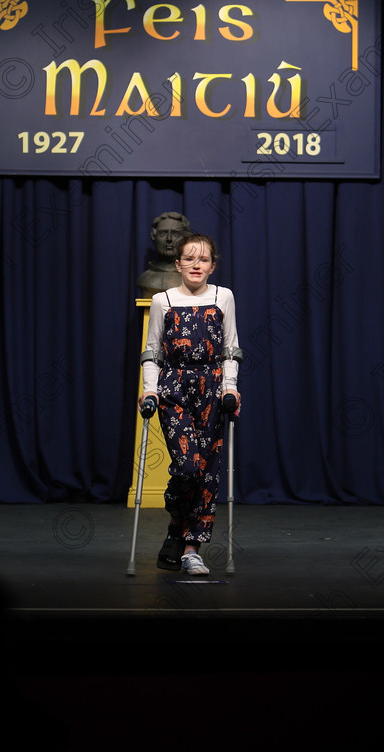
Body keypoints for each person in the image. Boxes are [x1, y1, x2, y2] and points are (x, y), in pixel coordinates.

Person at [139, 233, 241, 575]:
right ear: (178, 263)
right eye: (189, 258)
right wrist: (150, 389)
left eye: (204, 259)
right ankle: (175, 526)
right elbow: (152, 351)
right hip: (174, 388)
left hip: (212, 389)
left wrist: (231, 388)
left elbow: (230, 348)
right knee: (187, 466)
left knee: (208, 470)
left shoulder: (223, 297)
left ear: (213, 265)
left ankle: (191, 547)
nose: (196, 265)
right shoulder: (162, 300)